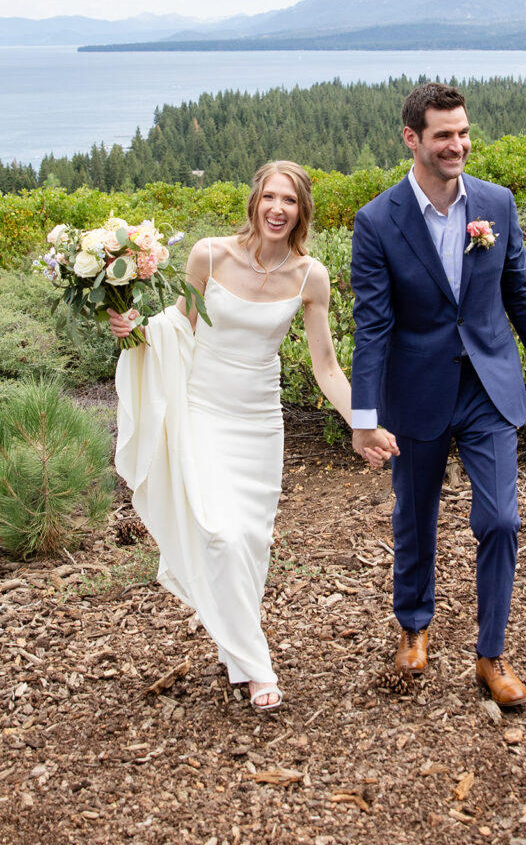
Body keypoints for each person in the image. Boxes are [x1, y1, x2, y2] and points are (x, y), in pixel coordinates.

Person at [110, 160, 390, 712]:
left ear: (301, 210)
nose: (277, 209)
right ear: (254, 202)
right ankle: (258, 666)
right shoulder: (210, 255)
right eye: (269, 197)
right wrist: (135, 328)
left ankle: (234, 645)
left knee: (251, 543)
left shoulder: (310, 276)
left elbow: (327, 367)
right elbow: (178, 326)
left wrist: (364, 422)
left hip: (260, 422)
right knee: (220, 534)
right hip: (203, 413)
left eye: (289, 200)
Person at [350, 84, 526, 706]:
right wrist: (365, 418)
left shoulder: (496, 202)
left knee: (500, 519)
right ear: (412, 138)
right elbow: (373, 326)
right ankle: (413, 628)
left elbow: (518, 289)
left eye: (463, 131)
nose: (458, 144)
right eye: (443, 134)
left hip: (488, 387)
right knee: (415, 518)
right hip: (415, 391)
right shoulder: (377, 221)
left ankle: (490, 655)